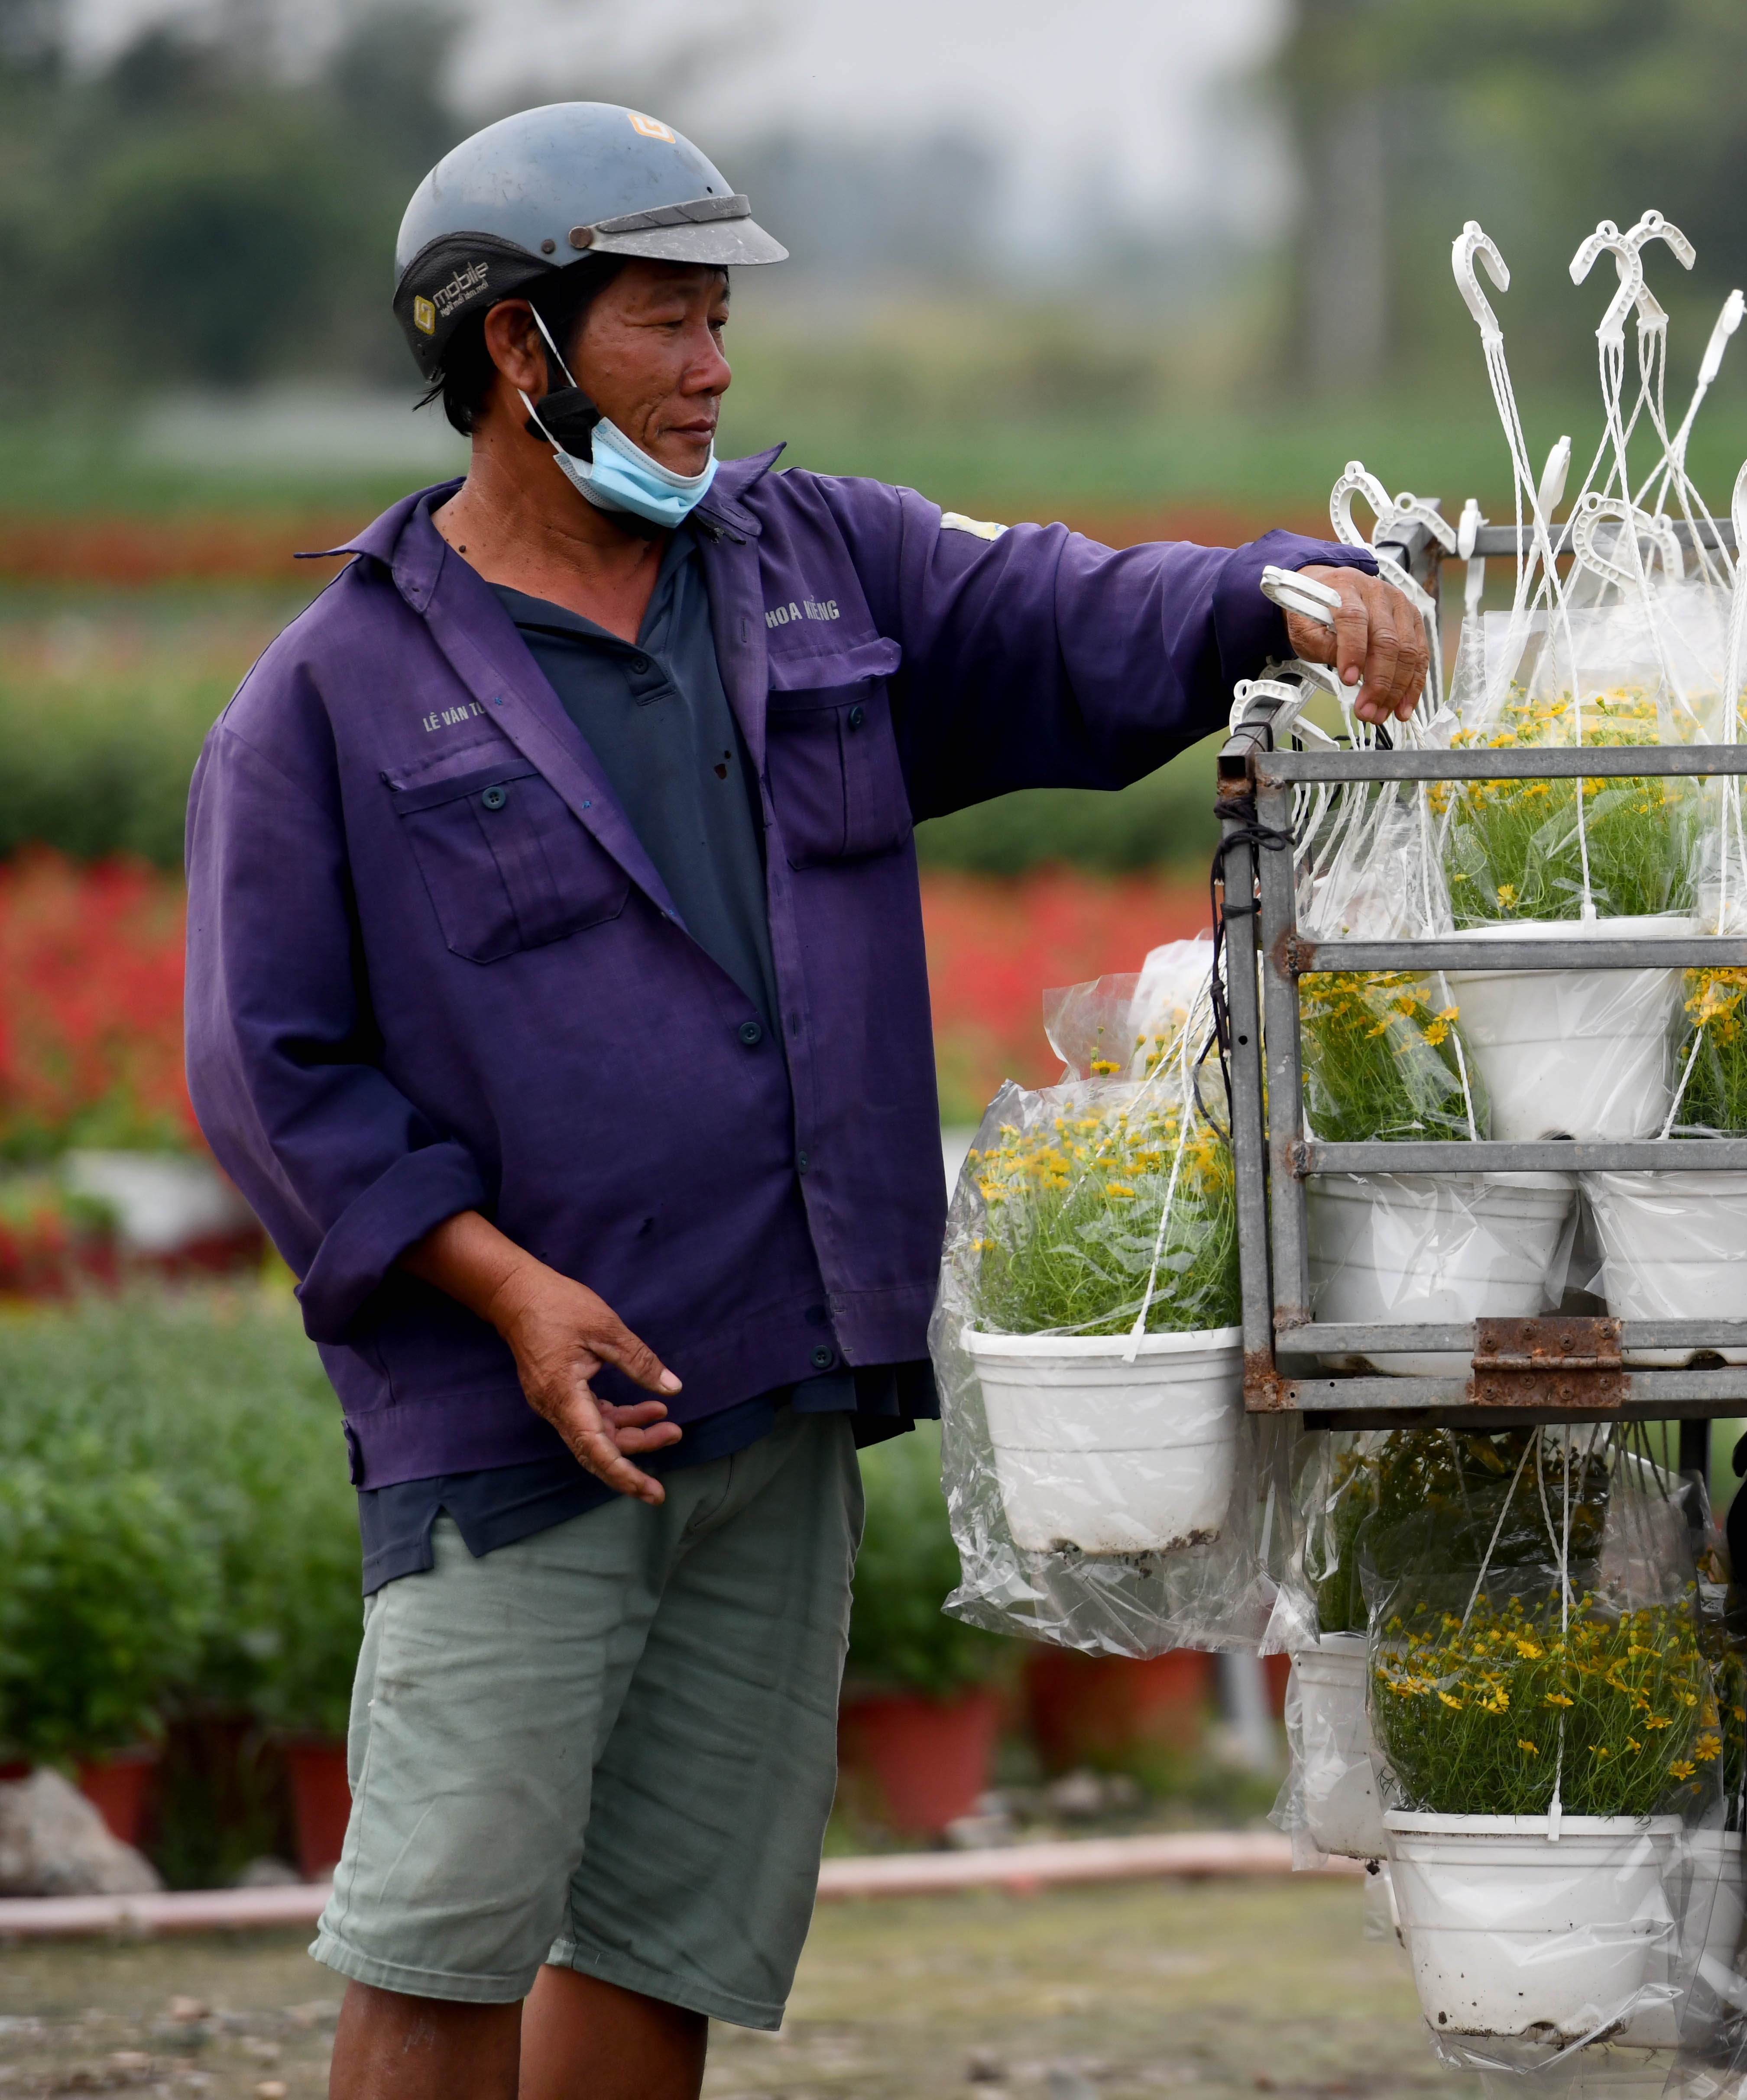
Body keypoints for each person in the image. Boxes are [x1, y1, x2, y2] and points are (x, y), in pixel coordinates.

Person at [182, 101, 1426, 2100]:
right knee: (442, 1940)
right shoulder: (325, 703)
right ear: (518, 350)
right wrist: (507, 1294)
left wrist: (1283, 594)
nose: (713, 371)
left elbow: (1058, 614)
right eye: (668, 325)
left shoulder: (807, 566)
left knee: (666, 1937)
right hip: (524, 1428)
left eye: (718, 323)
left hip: (776, 1388)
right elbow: (269, 1075)